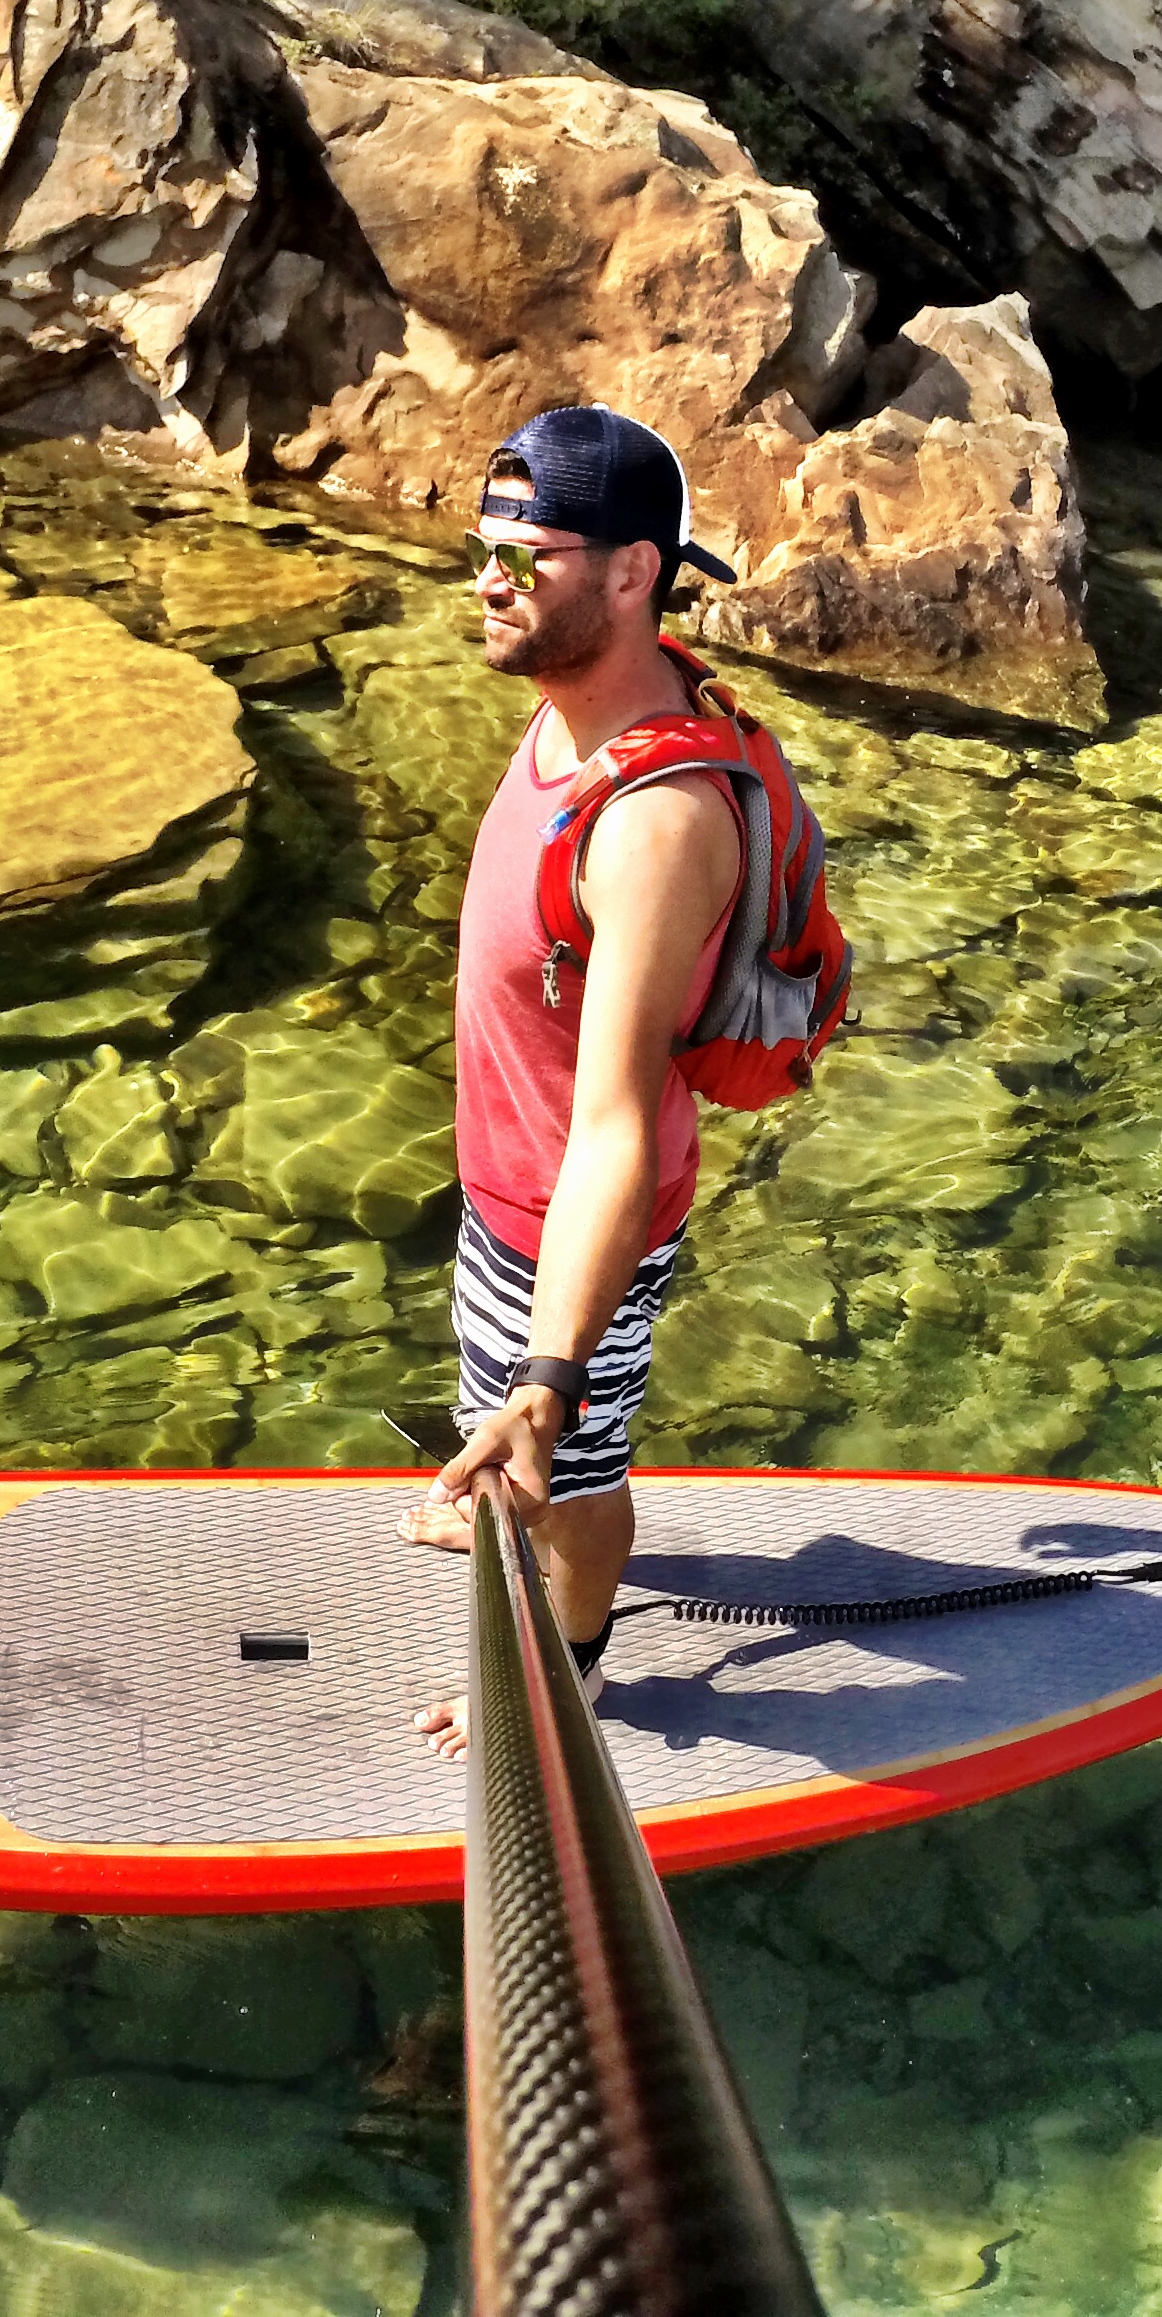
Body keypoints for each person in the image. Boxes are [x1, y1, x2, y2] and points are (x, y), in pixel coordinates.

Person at [402, 406, 749, 1759]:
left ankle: (567, 1682)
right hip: (508, 1193)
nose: (488, 581)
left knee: (577, 1481)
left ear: (630, 576)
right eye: (482, 549)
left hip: (575, 1234)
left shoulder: (655, 824)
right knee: (513, 1417)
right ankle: (510, 1479)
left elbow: (612, 1126)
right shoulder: (571, 703)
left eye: (525, 557)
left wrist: (554, 1372)